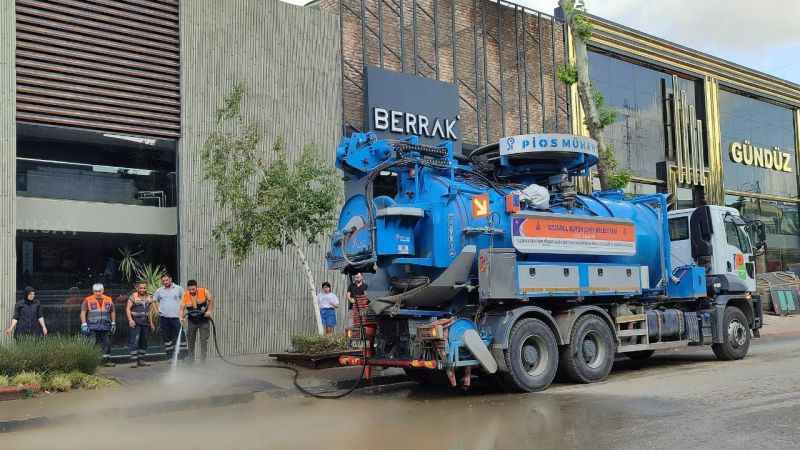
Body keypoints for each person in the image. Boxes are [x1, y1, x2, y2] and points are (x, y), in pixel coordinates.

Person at [81, 283, 116, 367]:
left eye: (99, 291)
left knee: (107, 343)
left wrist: (113, 322)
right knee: (92, 343)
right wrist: (84, 324)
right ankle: (91, 362)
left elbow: (112, 311)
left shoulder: (109, 299)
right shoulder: (88, 300)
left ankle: (106, 361)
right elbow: (83, 312)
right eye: (95, 291)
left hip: (105, 326)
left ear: (103, 291)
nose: (97, 293)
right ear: (93, 291)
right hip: (92, 326)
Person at [179, 280, 214, 363]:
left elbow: (211, 300)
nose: (191, 291)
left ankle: (203, 361)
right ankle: (191, 361)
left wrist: (209, 311)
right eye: (189, 290)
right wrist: (181, 317)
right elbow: (181, 308)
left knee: (203, 340)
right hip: (192, 321)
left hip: (204, 320)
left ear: (196, 287)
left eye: (193, 289)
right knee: (190, 341)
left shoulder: (204, 291)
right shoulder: (185, 295)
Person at [126, 282, 155, 368]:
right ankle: (134, 361)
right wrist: (130, 320)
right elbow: (127, 309)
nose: (142, 290)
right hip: (136, 322)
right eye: (141, 288)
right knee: (135, 341)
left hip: (145, 323)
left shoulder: (149, 297)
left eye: (144, 288)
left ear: (147, 288)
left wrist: (152, 323)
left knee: (144, 341)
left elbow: (150, 311)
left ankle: (141, 360)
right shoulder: (133, 297)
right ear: (137, 288)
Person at [154, 274, 183, 355]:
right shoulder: (159, 290)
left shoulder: (178, 289)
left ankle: (182, 356)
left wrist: (182, 314)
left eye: (166, 280)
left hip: (176, 317)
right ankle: (170, 355)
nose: (165, 282)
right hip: (164, 318)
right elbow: (154, 300)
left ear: (170, 279)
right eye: (163, 281)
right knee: (166, 337)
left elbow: (184, 301)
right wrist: (157, 310)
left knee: (180, 336)